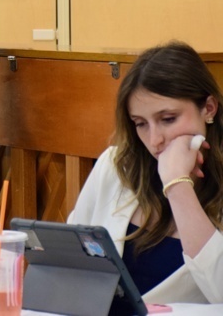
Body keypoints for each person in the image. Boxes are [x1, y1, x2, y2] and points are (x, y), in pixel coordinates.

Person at [68, 41, 223, 305]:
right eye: (141, 124)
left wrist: (177, 185)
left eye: (168, 119)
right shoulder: (116, 164)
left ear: (208, 108)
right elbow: (70, 263)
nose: (155, 140)